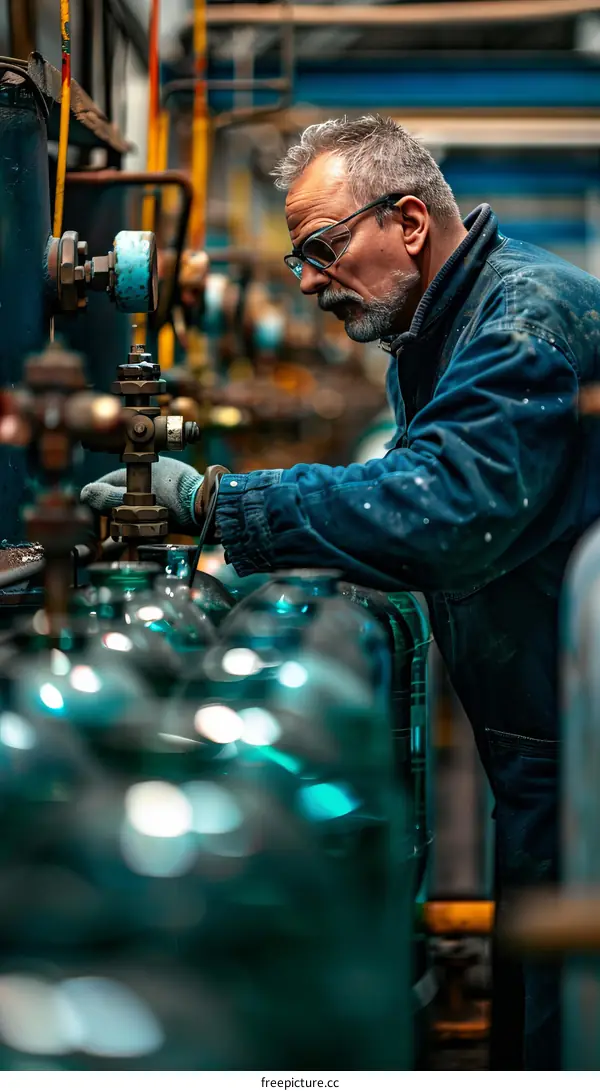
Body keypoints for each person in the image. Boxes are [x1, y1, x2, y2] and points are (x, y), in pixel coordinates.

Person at [82, 115, 600, 1069]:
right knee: (537, 997)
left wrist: (223, 507)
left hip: (578, 740)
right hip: (540, 729)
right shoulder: (444, 325)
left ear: (407, 221)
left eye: (322, 249)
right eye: (300, 259)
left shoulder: (524, 317)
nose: (311, 281)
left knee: (569, 1025)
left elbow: (445, 505)